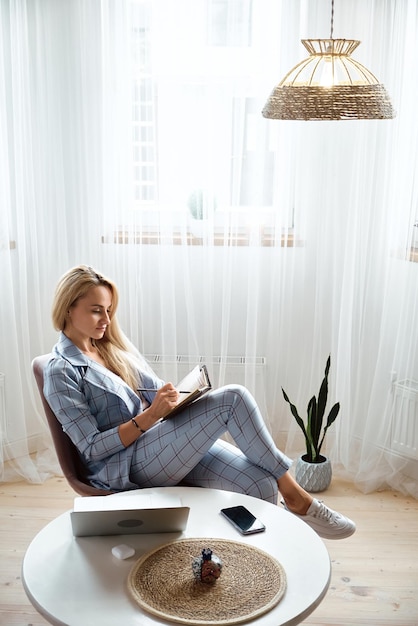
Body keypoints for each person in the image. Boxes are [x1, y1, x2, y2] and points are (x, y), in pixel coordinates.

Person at [43, 265, 355, 540]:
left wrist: (180, 397)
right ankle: (298, 497)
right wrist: (150, 417)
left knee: (260, 485)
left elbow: (153, 394)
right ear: (69, 309)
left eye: (109, 310)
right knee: (233, 399)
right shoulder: (61, 371)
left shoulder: (110, 348)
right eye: (97, 310)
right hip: (124, 465)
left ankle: (249, 553)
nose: (107, 320)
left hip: (157, 442)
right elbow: (92, 447)